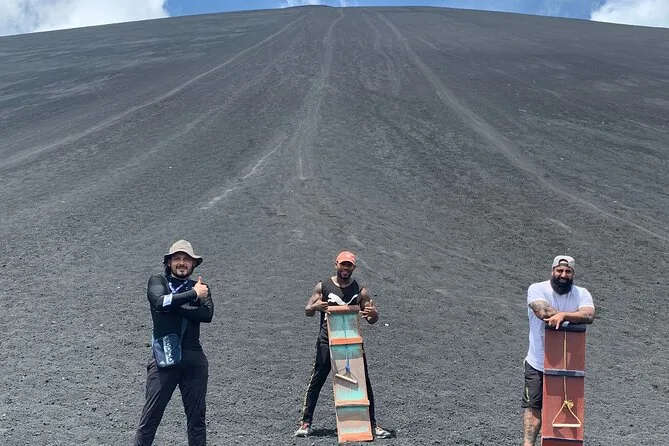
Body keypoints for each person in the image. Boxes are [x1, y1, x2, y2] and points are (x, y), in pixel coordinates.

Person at [295, 250, 392, 439]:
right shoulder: (323, 286)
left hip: (352, 343)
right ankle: (306, 423)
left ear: (353, 267)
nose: (345, 268)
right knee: (317, 380)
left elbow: (371, 318)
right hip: (327, 341)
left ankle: (372, 425)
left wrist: (374, 315)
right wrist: (315, 307)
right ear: (336, 265)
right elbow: (307, 311)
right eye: (343, 264)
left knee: (363, 382)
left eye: (349, 265)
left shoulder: (360, 291)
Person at [134, 240, 214, 446]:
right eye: (177, 258)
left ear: (193, 264)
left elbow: (207, 315)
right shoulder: (158, 281)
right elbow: (159, 301)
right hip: (164, 358)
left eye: (186, 259)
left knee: (197, 420)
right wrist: (193, 295)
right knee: (150, 418)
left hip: (194, 360)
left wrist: (174, 305)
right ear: (169, 262)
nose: (182, 262)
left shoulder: (202, 287)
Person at [522, 255, 595, 446]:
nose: (563, 275)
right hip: (537, 363)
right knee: (533, 408)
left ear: (573, 274)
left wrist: (563, 315)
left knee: (563, 409)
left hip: (568, 366)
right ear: (552, 271)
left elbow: (589, 315)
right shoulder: (537, 289)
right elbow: (543, 312)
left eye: (568, 271)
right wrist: (572, 316)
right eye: (559, 270)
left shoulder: (581, 293)